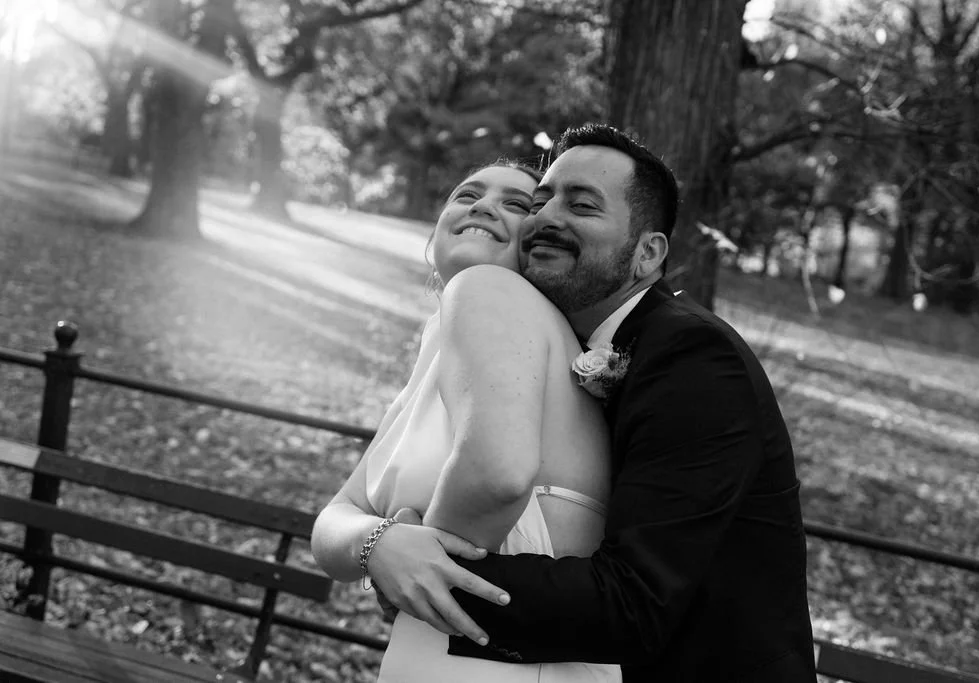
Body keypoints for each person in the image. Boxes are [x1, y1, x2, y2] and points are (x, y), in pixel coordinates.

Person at [361, 123, 818, 682]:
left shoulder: (695, 357)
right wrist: (386, 553)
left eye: (581, 205)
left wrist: (432, 577)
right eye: (541, 199)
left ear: (648, 254)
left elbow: (637, 598)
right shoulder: (555, 341)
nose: (545, 218)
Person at [310, 159, 621, 682]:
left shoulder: (488, 290)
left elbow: (497, 474)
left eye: (517, 204)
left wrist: (417, 568)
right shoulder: (441, 344)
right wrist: (381, 544)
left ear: (540, 242)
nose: (482, 205)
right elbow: (336, 518)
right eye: (467, 194)